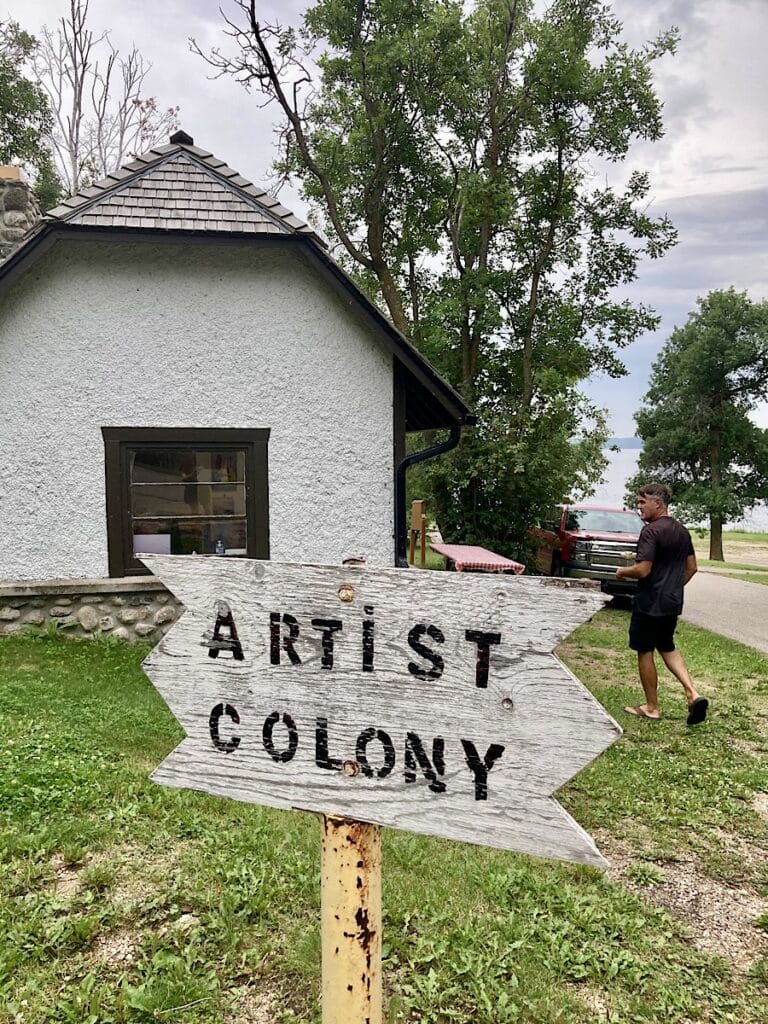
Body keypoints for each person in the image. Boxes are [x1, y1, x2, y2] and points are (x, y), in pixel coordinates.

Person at [615, 482, 709, 725]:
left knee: (644, 650)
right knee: (667, 645)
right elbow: (692, 568)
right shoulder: (681, 530)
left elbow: (643, 570)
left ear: (658, 503)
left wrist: (622, 572)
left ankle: (652, 707)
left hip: (648, 602)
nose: (639, 507)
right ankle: (692, 692)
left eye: (642, 502)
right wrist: (674, 588)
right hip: (671, 602)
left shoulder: (651, 531)